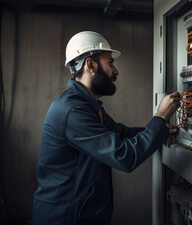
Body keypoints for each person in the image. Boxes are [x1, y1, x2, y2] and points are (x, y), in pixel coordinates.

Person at [32, 31, 180, 224]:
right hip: (65, 218)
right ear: (90, 65)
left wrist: (162, 129)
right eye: (110, 63)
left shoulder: (85, 105)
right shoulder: (73, 111)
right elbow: (123, 156)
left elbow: (121, 133)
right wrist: (159, 118)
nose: (115, 71)